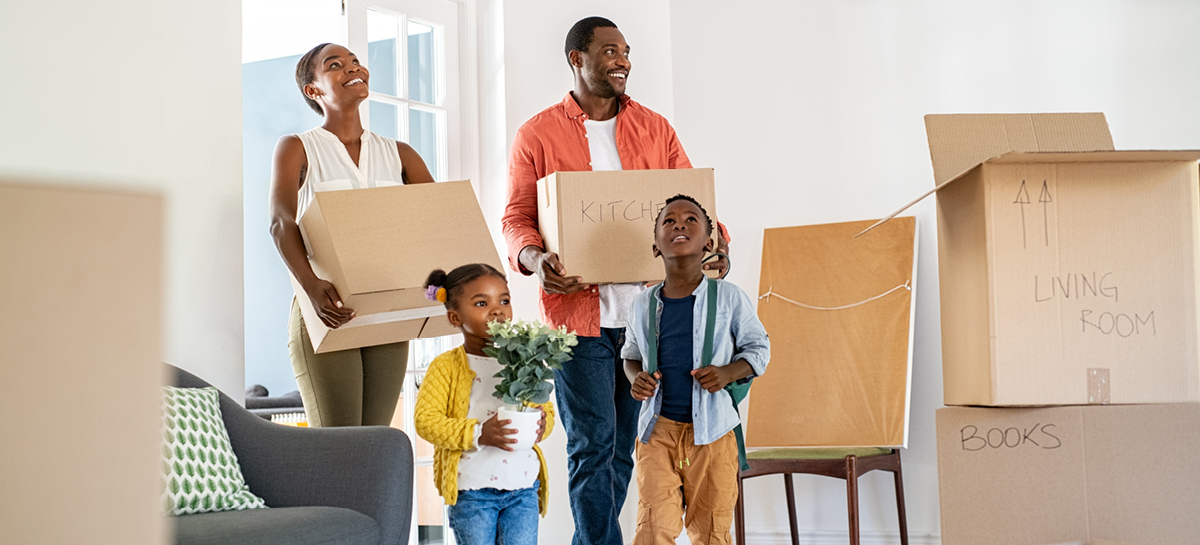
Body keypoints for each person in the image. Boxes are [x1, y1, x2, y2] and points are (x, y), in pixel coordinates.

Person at [501, 17, 729, 545]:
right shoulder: (537, 133)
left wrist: (718, 243)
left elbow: (693, 205)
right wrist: (535, 261)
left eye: (626, 51)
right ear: (576, 59)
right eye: (609, 51)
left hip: (649, 318)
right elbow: (516, 218)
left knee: (628, 442)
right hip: (577, 320)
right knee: (591, 445)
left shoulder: (656, 128)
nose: (622, 60)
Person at [268, 42, 436, 427]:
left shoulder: (400, 154)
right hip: (327, 308)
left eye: (355, 62)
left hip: (388, 312)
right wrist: (310, 285)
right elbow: (281, 221)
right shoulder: (298, 148)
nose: (353, 68)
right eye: (335, 65)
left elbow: (435, 225)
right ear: (313, 89)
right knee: (338, 446)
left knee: (375, 443)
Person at [621, 195, 770, 545]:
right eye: (668, 222)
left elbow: (759, 349)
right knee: (653, 530)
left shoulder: (730, 297)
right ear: (656, 245)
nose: (679, 225)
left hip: (715, 435)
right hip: (657, 433)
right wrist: (635, 379)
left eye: (690, 220)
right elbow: (630, 355)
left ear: (709, 241)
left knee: (712, 532)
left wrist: (728, 373)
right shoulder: (642, 303)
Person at [414, 264, 554, 545]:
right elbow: (426, 421)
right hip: (473, 491)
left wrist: (542, 424)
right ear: (455, 317)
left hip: (523, 487)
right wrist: (478, 433)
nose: (498, 310)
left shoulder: (523, 360)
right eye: (481, 303)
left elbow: (545, 408)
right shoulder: (446, 367)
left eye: (504, 300)